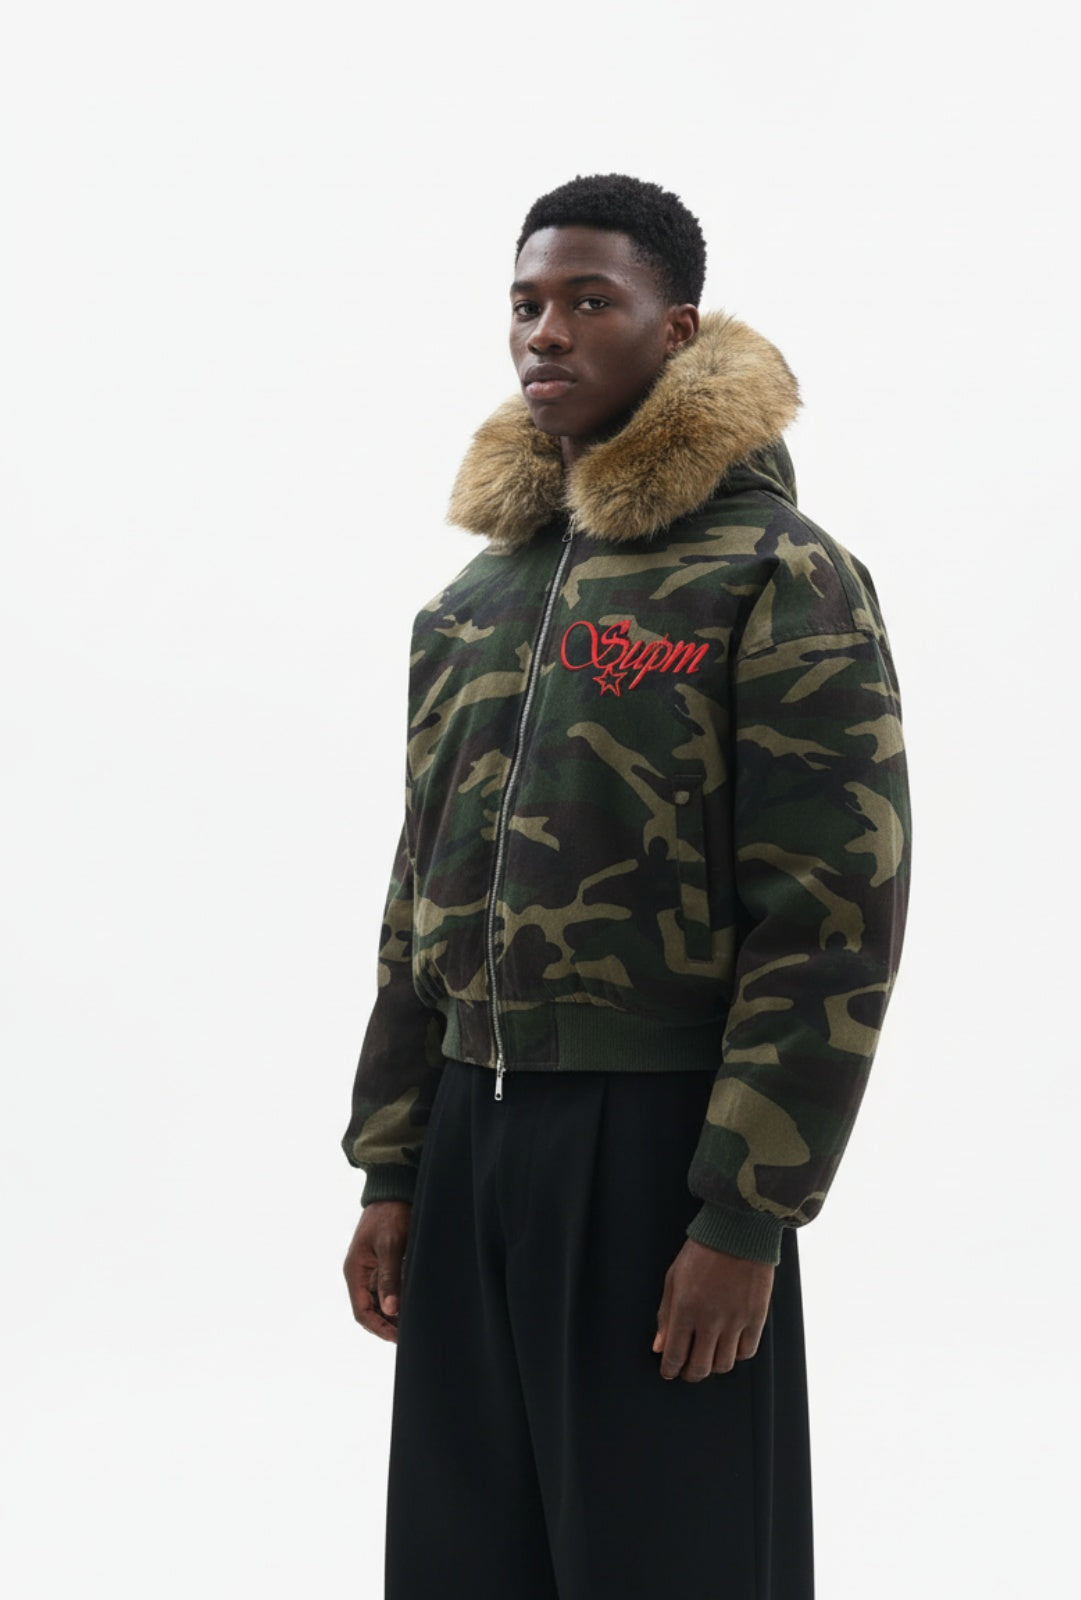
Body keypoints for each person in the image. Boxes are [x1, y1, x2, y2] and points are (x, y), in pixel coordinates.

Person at [341, 172, 911, 1600]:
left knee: (673, 1555)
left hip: (660, 1145)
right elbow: (418, 899)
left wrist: (746, 1213)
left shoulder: (776, 576)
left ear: (677, 328)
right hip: (471, 1136)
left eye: (590, 300)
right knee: (466, 1561)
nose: (546, 332)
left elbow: (831, 917)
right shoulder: (472, 606)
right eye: (527, 303)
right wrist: (394, 1169)